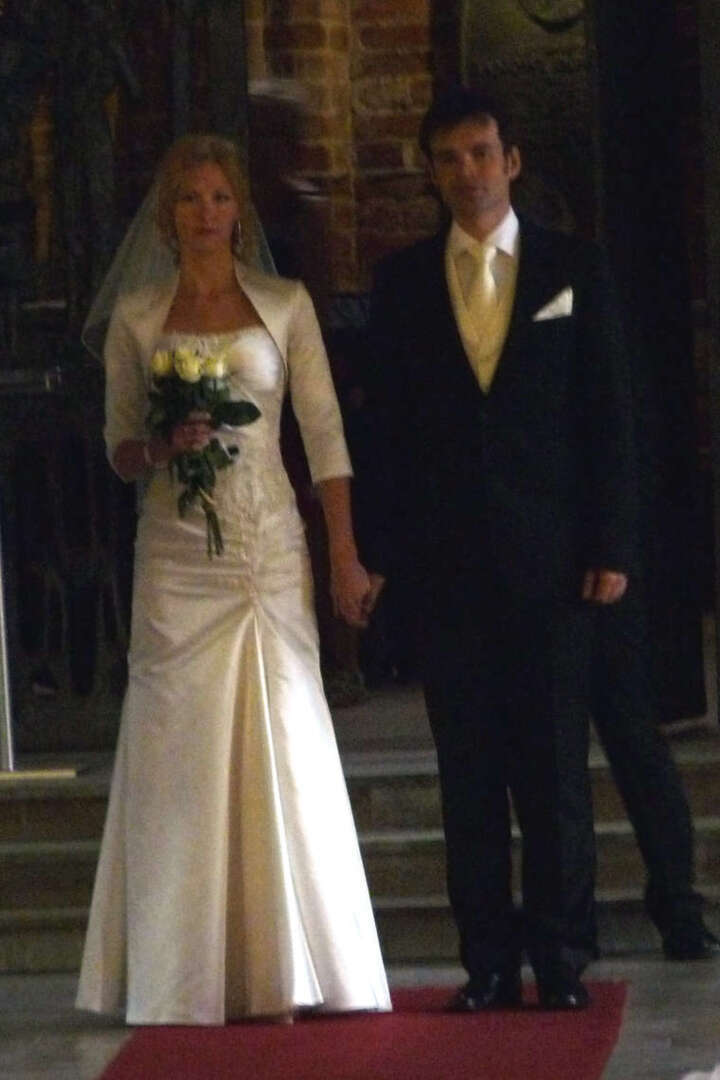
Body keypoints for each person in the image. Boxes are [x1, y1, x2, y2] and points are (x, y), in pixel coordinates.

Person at [75, 133, 391, 1025]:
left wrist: (343, 553)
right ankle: (179, 970)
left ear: (239, 212)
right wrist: (161, 446)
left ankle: (287, 964)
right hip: (175, 553)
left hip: (265, 544)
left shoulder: (285, 305)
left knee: (282, 726)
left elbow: (324, 436)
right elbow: (119, 446)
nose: (204, 213)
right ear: (167, 216)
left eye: (218, 198)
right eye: (188, 199)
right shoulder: (140, 315)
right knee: (175, 737)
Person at [360, 85, 636, 1011]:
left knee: (554, 771)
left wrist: (612, 540)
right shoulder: (402, 283)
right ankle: (485, 959)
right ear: (432, 173)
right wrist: (383, 553)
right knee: (468, 774)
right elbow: (386, 431)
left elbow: (608, 413)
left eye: (481, 153)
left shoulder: (573, 268)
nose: (467, 172)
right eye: (448, 159)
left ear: (511, 161)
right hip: (447, 567)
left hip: (553, 561)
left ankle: (560, 957)